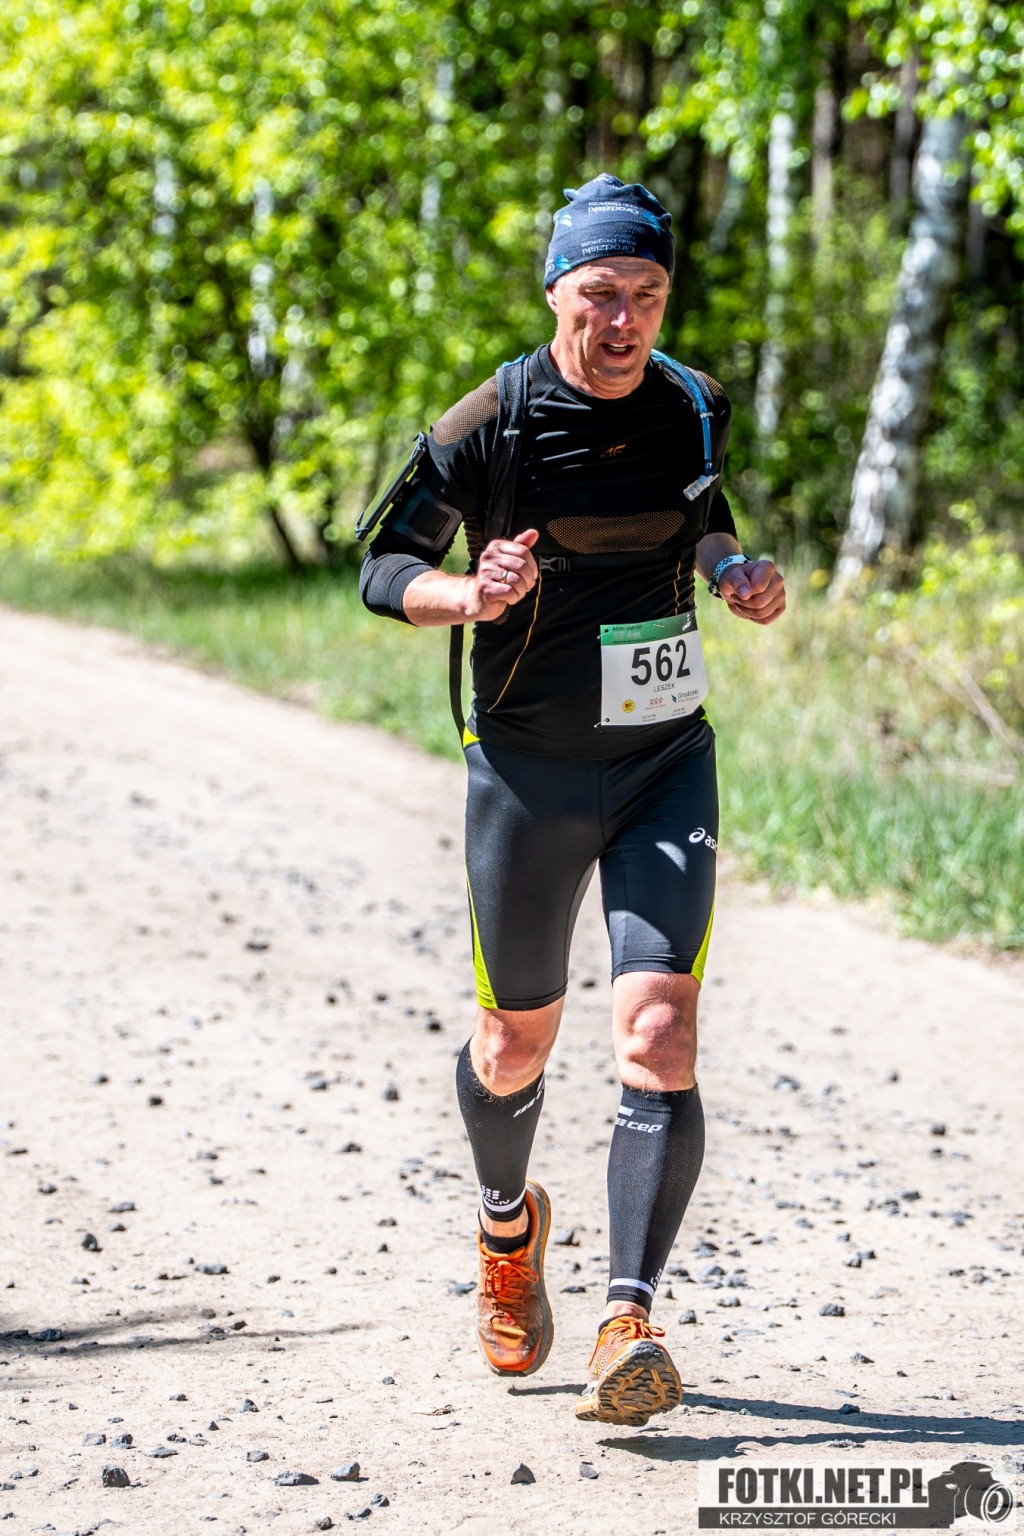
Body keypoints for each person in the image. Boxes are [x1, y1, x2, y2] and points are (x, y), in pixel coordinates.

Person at [360, 173, 786, 1426]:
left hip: (662, 762)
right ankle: (507, 1230)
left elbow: (702, 523)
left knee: (657, 1031)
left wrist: (736, 572)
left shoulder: (693, 405)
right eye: (601, 293)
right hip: (527, 769)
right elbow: (384, 568)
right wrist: (466, 594)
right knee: (513, 1047)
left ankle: (626, 1320)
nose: (624, 320)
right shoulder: (487, 420)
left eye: (646, 294)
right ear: (557, 292)